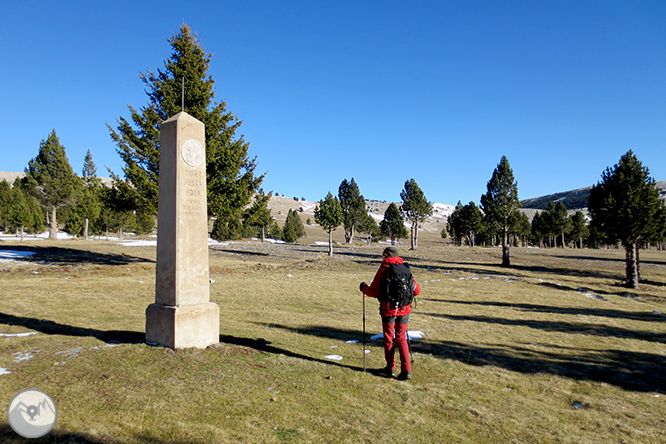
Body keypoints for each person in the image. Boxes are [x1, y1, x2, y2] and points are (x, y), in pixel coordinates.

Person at [359, 247, 420, 380]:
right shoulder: (406, 269)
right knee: (401, 338)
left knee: (389, 338)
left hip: (389, 309)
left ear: (385, 255)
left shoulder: (384, 269)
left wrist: (363, 288)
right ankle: (406, 370)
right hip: (405, 309)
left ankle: (390, 368)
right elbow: (417, 290)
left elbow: (374, 292)